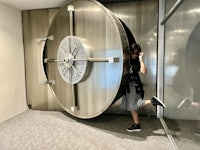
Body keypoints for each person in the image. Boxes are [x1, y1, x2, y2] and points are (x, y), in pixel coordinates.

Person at [120, 43, 166, 132]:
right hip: (128, 85)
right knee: (132, 106)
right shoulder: (126, 60)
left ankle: (153, 101)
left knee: (132, 106)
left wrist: (141, 59)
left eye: (136, 53)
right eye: (133, 53)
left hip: (134, 85)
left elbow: (143, 71)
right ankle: (137, 125)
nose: (134, 55)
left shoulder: (137, 62)